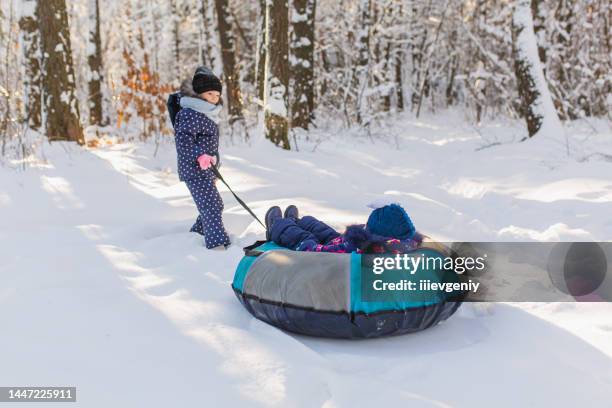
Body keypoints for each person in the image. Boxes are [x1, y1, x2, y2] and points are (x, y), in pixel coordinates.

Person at [174, 67, 230, 250]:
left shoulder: (207, 114)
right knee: (211, 205)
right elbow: (183, 141)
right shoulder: (190, 113)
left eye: (217, 94)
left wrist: (214, 159)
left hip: (206, 170)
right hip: (194, 170)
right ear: (199, 94)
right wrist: (200, 156)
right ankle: (217, 244)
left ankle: (196, 236)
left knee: (214, 203)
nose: (215, 97)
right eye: (210, 93)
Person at [265, 203, 421, 254]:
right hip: (341, 243)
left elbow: (320, 253)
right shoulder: (408, 245)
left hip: (334, 252)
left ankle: (278, 226)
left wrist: (312, 248)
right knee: (323, 230)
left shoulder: (362, 248)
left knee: (306, 240)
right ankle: (295, 221)